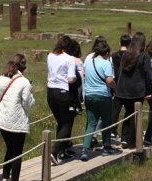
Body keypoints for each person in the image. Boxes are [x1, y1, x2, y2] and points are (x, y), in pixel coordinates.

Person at [0, 54, 35, 181]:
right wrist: (32, 95)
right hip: (17, 122)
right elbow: (28, 103)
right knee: (17, 153)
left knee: (10, 149)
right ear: (24, 68)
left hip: (1, 120)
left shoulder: (0, 79)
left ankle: (5, 178)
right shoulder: (24, 82)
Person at [79, 37, 121, 160]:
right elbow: (109, 80)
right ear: (106, 53)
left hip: (89, 96)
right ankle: (107, 147)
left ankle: (85, 149)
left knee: (91, 123)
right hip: (103, 96)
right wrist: (115, 88)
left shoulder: (89, 62)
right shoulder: (106, 63)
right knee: (106, 121)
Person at [114, 32, 152, 148]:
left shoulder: (126, 55)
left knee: (128, 113)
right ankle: (131, 141)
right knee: (135, 115)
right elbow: (148, 75)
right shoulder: (144, 56)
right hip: (137, 91)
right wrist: (149, 91)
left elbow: (120, 72)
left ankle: (125, 139)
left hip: (123, 90)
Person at [47, 35, 77, 165]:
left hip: (50, 92)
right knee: (67, 123)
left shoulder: (50, 55)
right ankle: (54, 152)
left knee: (60, 121)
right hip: (63, 91)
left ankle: (61, 150)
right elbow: (71, 79)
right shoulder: (69, 59)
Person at [109, 33, 131, 139]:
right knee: (129, 110)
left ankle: (112, 130)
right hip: (128, 85)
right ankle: (126, 133)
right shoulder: (131, 56)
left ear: (119, 43)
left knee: (115, 110)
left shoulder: (113, 56)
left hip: (117, 84)